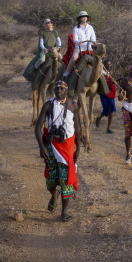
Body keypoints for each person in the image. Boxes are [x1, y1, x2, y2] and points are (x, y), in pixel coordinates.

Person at [35, 80, 81, 222]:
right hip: (51, 145)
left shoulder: (73, 105)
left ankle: (64, 212)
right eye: (56, 89)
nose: (59, 91)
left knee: (65, 179)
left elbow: (78, 128)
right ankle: (53, 195)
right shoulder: (48, 105)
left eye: (61, 89)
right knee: (51, 180)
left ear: (67, 90)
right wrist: (41, 147)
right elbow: (37, 127)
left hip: (67, 146)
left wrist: (78, 148)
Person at [63, 10, 97, 77]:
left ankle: (101, 70)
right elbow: (75, 38)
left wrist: (94, 41)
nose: (84, 18)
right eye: (83, 17)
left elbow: (93, 36)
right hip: (79, 48)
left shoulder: (90, 27)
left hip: (89, 47)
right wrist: (78, 42)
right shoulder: (76, 28)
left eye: (86, 16)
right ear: (80, 18)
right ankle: (68, 71)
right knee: (74, 57)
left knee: (98, 57)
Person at [96, 59, 117, 133]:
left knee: (111, 109)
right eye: (107, 64)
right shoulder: (100, 72)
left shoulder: (110, 72)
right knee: (105, 109)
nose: (108, 65)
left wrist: (117, 81)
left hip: (110, 92)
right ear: (104, 65)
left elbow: (111, 81)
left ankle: (108, 128)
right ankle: (99, 118)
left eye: (109, 64)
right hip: (103, 92)